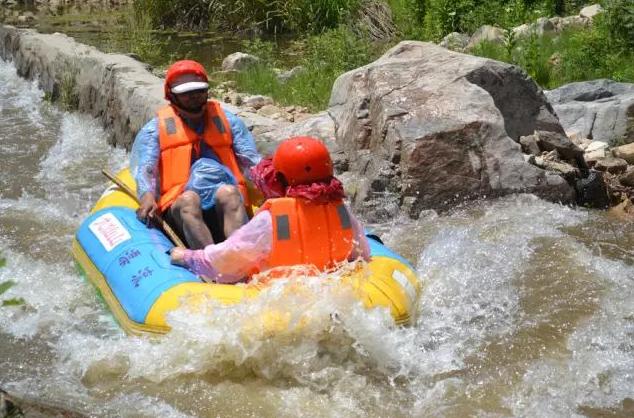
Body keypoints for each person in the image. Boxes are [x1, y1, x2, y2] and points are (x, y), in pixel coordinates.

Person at [170, 136, 370, 284]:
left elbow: (227, 259)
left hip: (277, 296)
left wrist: (188, 257)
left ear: (282, 178)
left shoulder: (272, 219)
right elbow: (362, 253)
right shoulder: (342, 211)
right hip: (328, 288)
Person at [130, 59, 261, 249]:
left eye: (199, 91)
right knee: (189, 200)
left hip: (223, 203)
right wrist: (147, 196)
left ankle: (240, 258)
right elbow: (146, 169)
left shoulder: (228, 121)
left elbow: (251, 162)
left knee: (230, 192)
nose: (194, 97)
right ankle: (208, 263)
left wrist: (271, 185)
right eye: (186, 94)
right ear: (172, 95)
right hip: (180, 205)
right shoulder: (155, 130)